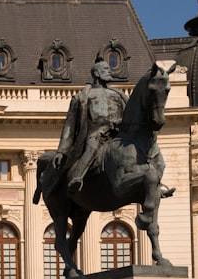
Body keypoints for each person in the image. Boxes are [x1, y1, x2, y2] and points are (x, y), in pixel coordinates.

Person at [55, 60, 174, 197]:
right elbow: (69, 126)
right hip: (97, 133)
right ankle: (77, 178)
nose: (109, 71)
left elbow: (130, 114)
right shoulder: (84, 96)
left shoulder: (118, 94)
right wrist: (62, 150)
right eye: (105, 69)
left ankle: (155, 187)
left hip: (118, 133)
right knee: (92, 146)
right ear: (96, 73)